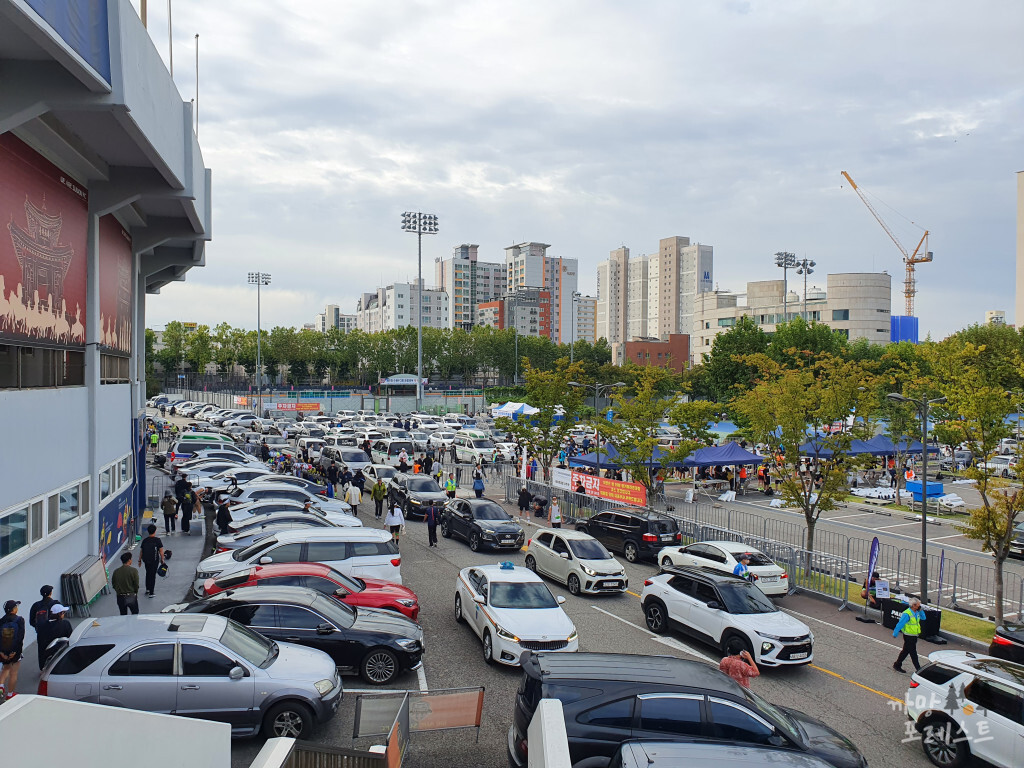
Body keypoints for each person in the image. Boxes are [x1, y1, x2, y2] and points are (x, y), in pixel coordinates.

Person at [27, 585, 58, 670]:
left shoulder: (35, 605)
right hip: (54, 631)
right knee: (55, 649)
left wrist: (39, 627)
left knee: (42, 651)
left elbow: (31, 621)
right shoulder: (55, 603)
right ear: (50, 593)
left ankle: (43, 669)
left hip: (41, 633)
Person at [893, 598, 926, 673]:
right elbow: (900, 623)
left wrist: (921, 611)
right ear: (913, 605)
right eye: (918, 605)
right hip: (908, 636)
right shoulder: (907, 614)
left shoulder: (917, 612)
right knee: (913, 652)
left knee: (905, 651)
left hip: (914, 635)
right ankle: (918, 669)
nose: (919, 606)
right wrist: (895, 632)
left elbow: (923, 618)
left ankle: (897, 664)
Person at [0, 599, 25, 700]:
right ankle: (10, 695)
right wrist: (14, 652)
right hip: (15, 652)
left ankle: (1, 687)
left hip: (3, 651)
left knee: (5, 668)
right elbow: (20, 637)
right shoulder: (19, 620)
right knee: (13, 673)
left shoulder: (1, 621)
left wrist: (1, 652)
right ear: (13, 609)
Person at [36, 603, 72, 668]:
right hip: (62, 655)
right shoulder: (65, 624)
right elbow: (71, 639)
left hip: (47, 658)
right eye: (63, 612)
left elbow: (40, 644)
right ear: (60, 614)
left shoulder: (42, 626)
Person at [139, 524, 165, 598]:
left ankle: (147, 589)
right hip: (154, 560)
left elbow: (141, 551)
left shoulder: (145, 540)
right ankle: (151, 592)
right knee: (152, 575)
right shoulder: (157, 540)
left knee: (148, 573)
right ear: (155, 531)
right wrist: (162, 559)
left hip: (146, 560)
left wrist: (139, 560)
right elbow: (161, 551)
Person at [112, 551, 140, 615]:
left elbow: (114, 584)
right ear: (129, 560)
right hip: (131, 596)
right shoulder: (134, 571)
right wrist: (135, 592)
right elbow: (136, 584)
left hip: (120, 597)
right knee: (135, 614)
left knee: (123, 615)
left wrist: (119, 591)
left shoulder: (116, 571)